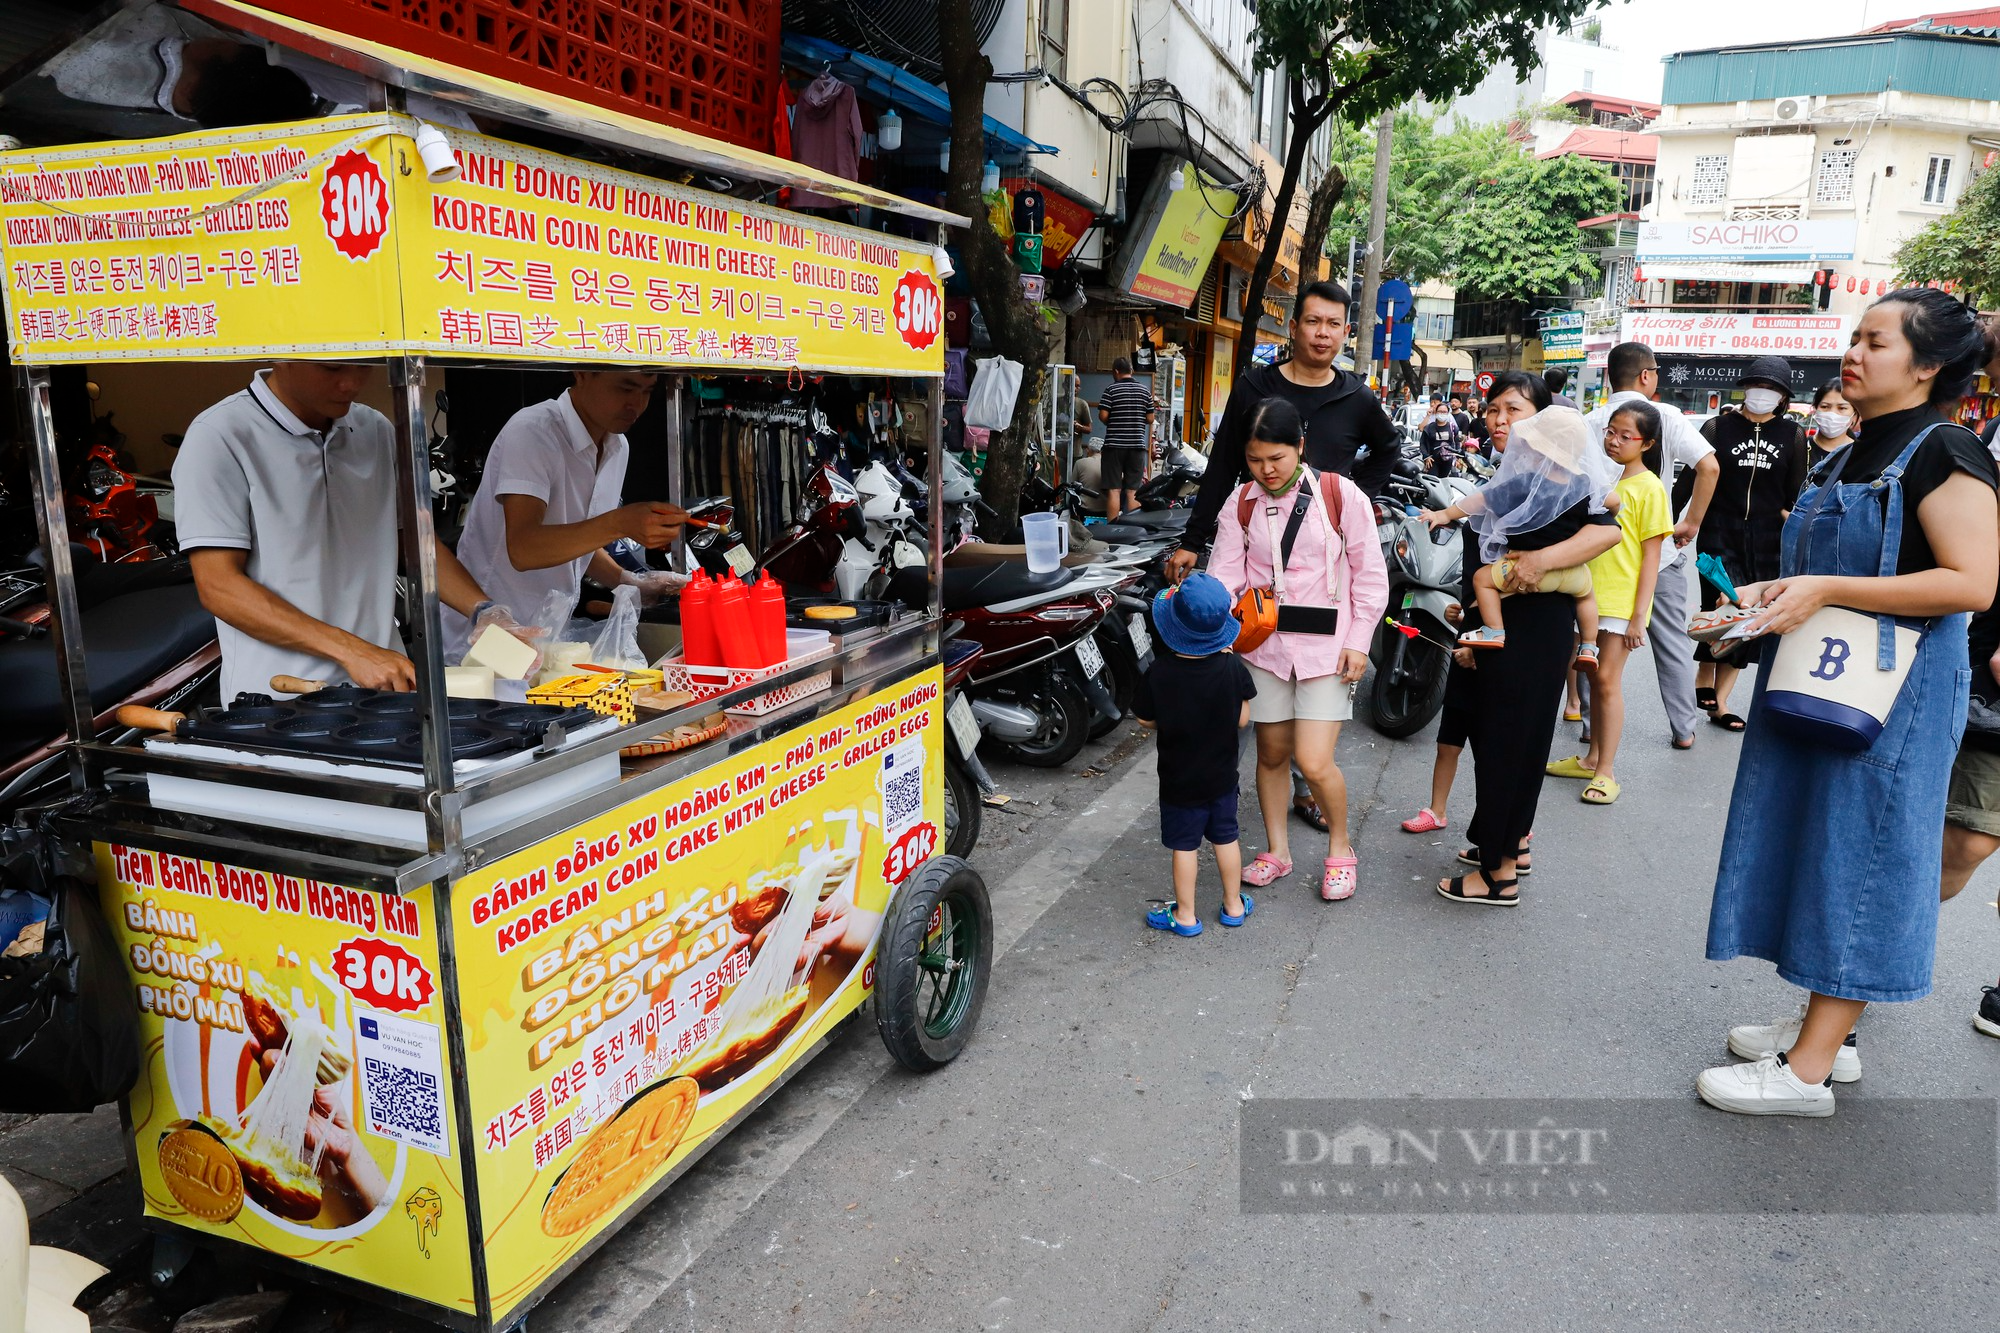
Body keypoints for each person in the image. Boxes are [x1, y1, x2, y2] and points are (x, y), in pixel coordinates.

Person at [1699, 288, 1998, 1116]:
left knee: (1863, 862)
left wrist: (1822, 586)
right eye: (1854, 338)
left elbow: (1972, 581)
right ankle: (1818, 1034)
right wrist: (1754, 603)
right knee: (1819, 850)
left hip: (1894, 699)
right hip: (1822, 680)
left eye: (1875, 341)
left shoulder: (1948, 451)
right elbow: (1828, 569)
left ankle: (1807, 1075)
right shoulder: (1845, 452)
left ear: (1927, 365)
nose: (1853, 353)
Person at [1169, 282, 1399, 831]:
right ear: (1293, 326)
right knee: (1271, 739)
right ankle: (1282, 829)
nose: (1322, 333)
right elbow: (1224, 467)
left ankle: (1313, 795)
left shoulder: (1356, 396)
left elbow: (1387, 450)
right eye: (1312, 322)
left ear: (1345, 332)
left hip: (1327, 561)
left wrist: (1346, 494)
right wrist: (1193, 543)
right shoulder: (1255, 388)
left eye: (1333, 325)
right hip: (1268, 591)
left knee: (1313, 748)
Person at [175, 364, 514, 700]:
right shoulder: (221, 435)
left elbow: (412, 544)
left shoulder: (376, 430)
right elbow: (219, 586)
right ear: (283, 354)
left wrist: (482, 611)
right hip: (278, 699)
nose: (351, 383)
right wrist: (353, 651)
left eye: (364, 365)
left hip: (385, 690)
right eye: (332, 368)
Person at [1435, 374, 1622, 904]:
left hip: (1517, 627)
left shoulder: (1525, 484)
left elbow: (1610, 530)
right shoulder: (1576, 485)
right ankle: (1509, 848)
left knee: (1501, 748)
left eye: (1513, 413)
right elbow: (1613, 513)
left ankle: (1495, 875)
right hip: (1550, 629)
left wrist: (1534, 561)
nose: (1502, 422)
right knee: (1525, 744)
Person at [1207, 399, 1388, 901]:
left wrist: (1360, 642)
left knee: (1313, 761)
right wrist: (1215, 627)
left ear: (1300, 448)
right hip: (1264, 646)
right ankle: (1278, 852)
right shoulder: (1240, 503)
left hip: (1328, 650)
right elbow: (1225, 575)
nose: (1266, 471)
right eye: (1256, 459)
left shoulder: (1340, 495)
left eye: (1277, 459)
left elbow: (1370, 577)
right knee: (1270, 755)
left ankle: (1341, 848)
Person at [444, 373, 688, 657]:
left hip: (548, 636)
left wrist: (628, 581)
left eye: (647, 391)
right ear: (582, 374)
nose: (636, 404)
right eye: (625, 388)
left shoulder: (618, 447)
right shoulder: (533, 432)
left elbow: (578, 541)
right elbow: (523, 548)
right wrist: (620, 523)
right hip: (483, 637)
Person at [1583, 341, 1723, 751]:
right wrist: (1690, 523)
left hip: (1596, 555)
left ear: (1610, 375)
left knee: (1589, 644)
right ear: (1647, 375)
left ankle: (1593, 729)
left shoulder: (1590, 420)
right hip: (1654, 553)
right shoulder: (1667, 417)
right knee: (1671, 642)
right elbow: (1709, 467)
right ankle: (1683, 728)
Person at [1544, 402, 1673, 805]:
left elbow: (1652, 557)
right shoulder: (1600, 478)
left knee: (1605, 682)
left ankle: (1606, 771)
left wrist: (1639, 617)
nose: (1613, 441)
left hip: (1620, 603)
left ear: (1647, 443)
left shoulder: (1650, 487)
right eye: (1610, 432)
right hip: (1586, 594)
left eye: (1625, 436)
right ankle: (1590, 759)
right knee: (1592, 679)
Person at [1422, 408, 1617, 670]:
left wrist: (1445, 512)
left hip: (1521, 568)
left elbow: (1481, 500)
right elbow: (1613, 501)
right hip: (1572, 572)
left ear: (1540, 449)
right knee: (1587, 598)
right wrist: (1612, 509)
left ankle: (1494, 631)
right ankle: (1589, 646)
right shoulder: (1583, 485)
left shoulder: (1525, 483)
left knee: (1483, 581)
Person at [1134, 573, 1259, 936]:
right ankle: (1234, 905)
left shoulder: (1161, 672)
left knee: (1185, 847)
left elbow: (1144, 717)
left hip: (1178, 783)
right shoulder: (1232, 667)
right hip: (1222, 779)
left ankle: (1186, 915)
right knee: (1226, 839)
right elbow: (1243, 718)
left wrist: (1169, 722)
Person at [1695, 356, 1809, 731]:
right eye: (1759, 384)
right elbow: (1695, 479)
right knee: (1720, 601)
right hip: (1718, 529)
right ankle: (1704, 674)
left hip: (1766, 537)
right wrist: (1678, 521)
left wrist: (1796, 525)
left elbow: (1797, 491)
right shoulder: (1717, 427)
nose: (1765, 393)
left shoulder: (1792, 436)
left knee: (1748, 612)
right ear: (1746, 387)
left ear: (1783, 397)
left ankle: (1721, 701)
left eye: (1774, 388)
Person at [1096, 358, 1155, 520]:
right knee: (1132, 491)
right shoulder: (1144, 391)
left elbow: (1103, 415)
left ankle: (1113, 530)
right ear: (1132, 371)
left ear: (1116, 371)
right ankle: (1132, 529)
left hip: (1114, 446)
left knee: (1114, 490)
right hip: (1136, 446)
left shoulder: (1111, 390)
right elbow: (1150, 418)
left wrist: (1113, 420)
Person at [1806, 379, 1856, 464]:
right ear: (1815, 409)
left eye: (1842, 408)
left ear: (1854, 413)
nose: (1832, 414)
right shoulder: (1799, 448)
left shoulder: (1862, 453)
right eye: (1825, 407)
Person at [1418, 395, 1465, 476]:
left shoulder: (1452, 427)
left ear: (1448, 413)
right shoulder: (1429, 428)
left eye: (1444, 412)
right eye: (1440, 412)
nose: (1442, 414)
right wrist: (1426, 457)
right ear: (1436, 412)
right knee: (1434, 482)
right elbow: (1422, 443)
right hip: (1432, 461)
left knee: (1445, 482)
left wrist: (1458, 458)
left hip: (1448, 461)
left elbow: (1457, 442)